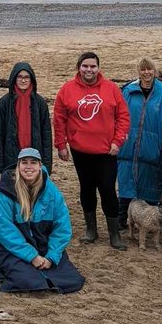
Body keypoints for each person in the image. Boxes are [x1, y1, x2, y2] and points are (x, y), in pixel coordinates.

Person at [53, 51, 131, 250]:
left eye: (93, 66)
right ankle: (91, 229)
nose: (89, 70)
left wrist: (118, 141)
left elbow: (123, 116)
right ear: (79, 67)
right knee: (87, 189)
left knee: (107, 189)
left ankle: (114, 233)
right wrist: (61, 145)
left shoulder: (111, 88)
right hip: (81, 150)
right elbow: (59, 118)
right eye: (85, 66)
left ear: (98, 68)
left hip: (107, 151)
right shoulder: (67, 89)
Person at [0, 148, 84, 293]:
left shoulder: (51, 191)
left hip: (41, 239)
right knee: (27, 281)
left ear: (40, 166)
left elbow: (62, 227)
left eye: (33, 162)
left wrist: (51, 257)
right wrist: (31, 256)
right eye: (24, 162)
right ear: (18, 166)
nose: (29, 167)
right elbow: (3, 229)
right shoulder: (4, 191)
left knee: (70, 279)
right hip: (12, 244)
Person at [117, 57, 162, 227]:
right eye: (143, 69)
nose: (146, 73)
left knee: (151, 183)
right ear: (138, 72)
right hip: (129, 146)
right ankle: (122, 220)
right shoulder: (128, 91)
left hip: (154, 146)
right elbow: (120, 116)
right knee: (127, 182)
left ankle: (150, 221)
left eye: (149, 69)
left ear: (155, 71)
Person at [0, 62, 52, 176]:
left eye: (26, 77)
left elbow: (46, 135)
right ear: (14, 78)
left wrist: (47, 165)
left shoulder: (40, 103)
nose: (23, 80)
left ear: (32, 79)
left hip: (34, 155)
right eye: (19, 77)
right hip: (11, 156)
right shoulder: (4, 103)